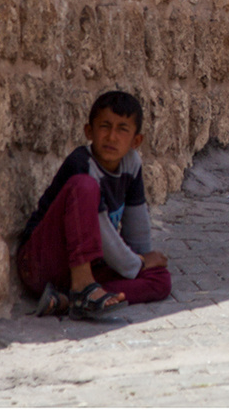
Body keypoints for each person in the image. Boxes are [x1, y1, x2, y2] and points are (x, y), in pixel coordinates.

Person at [18, 90, 171, 319]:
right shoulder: (82, 163)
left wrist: (143, 262)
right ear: (89, 131)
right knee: (84, 186)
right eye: (104, 126)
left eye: (122, 129)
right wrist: (138, 263)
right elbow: (106, 235)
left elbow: (137, 230)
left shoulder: (132, 164)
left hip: (89, 266)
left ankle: (67, 300)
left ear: (136, 141)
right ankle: (82, 289)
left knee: (160, 280)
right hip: (42, 264)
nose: (111, 137)